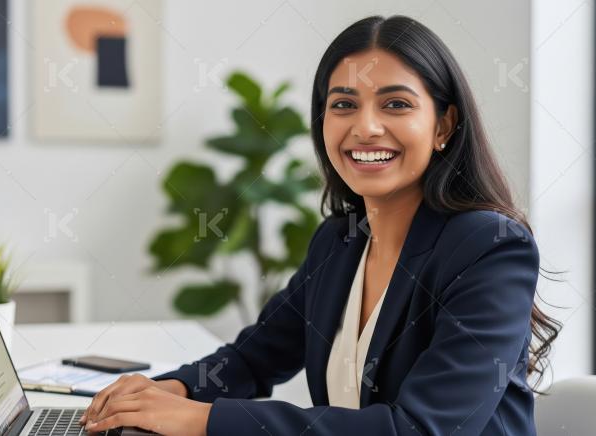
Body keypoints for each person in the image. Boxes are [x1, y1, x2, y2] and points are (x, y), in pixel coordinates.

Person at [79, 14, 561, 435]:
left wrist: (203, 420)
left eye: (395, 104)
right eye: (344, 104)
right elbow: (255, 357)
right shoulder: (341, 238)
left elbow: (420, 429)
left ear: (443, 126)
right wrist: (170, 389)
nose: (366, 127)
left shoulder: (490, 249)